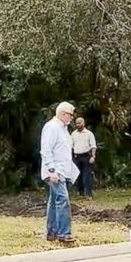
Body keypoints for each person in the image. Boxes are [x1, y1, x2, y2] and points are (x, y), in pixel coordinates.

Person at [40, 101, 79, 243]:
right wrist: (51, 170)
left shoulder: (63, 129)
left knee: (54, 201)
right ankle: (64, 233)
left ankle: (52, 232)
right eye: (70, 115)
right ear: (63, 113)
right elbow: (46, 149)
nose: (72, 118)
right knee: (63, 200)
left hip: (62, 171)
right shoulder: (52, 127)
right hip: (54, 171)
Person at [71, 117, 97, 198]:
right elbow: (71, 146)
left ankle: (88, 193)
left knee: (87, 175)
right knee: (78, 176)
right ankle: (81, 193)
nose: (78, 125)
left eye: (80, 123)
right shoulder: (73, 134)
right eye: (77, 123)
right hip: (76, 157)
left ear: (83, 123)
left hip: (86, 157)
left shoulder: (89, 134)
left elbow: (93, 146)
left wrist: (93, 156)